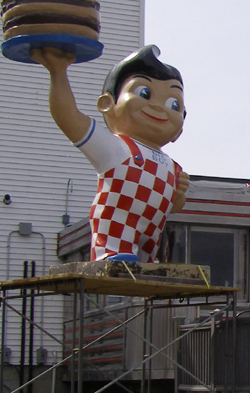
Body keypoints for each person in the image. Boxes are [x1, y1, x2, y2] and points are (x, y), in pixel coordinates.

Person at [31, 45, 189, 263]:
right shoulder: (116, 148)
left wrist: (179, 194)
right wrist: (58, 73)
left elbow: (172, 206)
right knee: (119, 250)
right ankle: (110, 252)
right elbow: (68, 117)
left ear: (180, 127)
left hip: (152, 233)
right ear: (107, 104)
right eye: (144, 93)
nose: (159, 107)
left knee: (149, 259)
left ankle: (146, 261)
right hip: (117, 226)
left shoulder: (171, 165)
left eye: (174, 104)